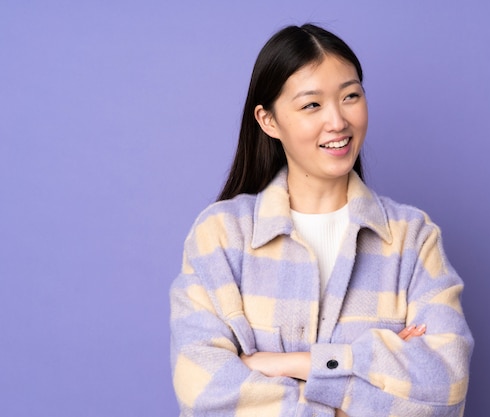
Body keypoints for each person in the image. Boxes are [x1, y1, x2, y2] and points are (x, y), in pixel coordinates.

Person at [170, 23, 473, 417]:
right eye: (312, 104)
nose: (337, 122)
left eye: (350, 96)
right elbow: (204, 394)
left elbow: (445, 389)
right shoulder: (221, 236)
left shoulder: (412, 239)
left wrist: (289, 364)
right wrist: (361, 378)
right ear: (268, 121)